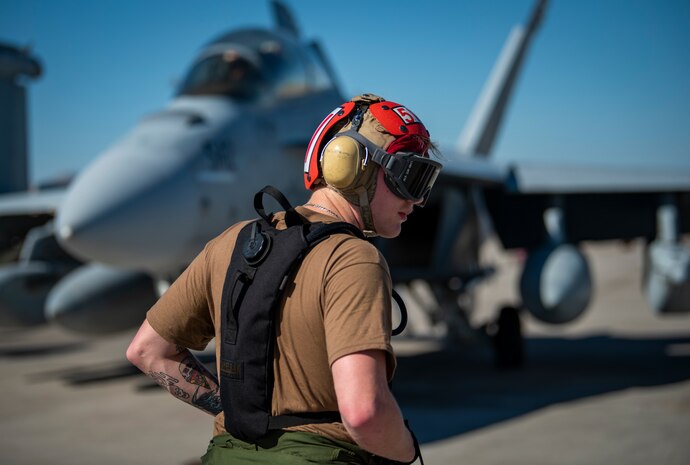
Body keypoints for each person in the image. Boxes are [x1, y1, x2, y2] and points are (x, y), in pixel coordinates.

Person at [126, 93, 442, 464]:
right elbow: (364, 413)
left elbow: (147, 351)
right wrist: (407, 452)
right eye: (408, 177)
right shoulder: (353, 257)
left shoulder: (232, 242)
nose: (417, 201)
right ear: (354, 166)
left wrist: (231, 410)